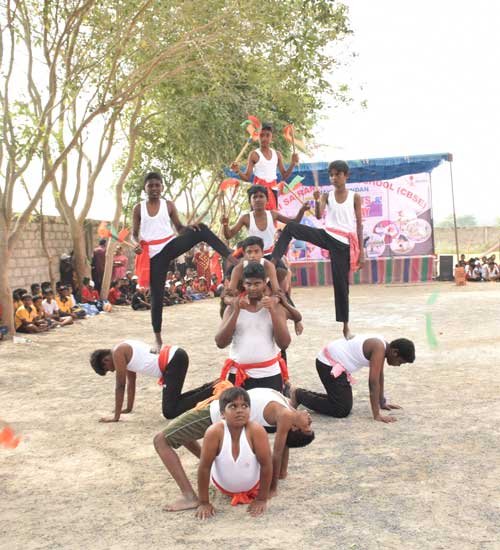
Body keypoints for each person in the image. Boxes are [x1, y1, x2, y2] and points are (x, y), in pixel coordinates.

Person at [153, 386, 314, 512]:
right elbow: (284, 444)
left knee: (160, 440)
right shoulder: (288, 409)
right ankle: (214, 461)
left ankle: (190, 497)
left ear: (295, 428)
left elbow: (278, 452)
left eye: (308, 427)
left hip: (215, 414)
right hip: (225, 409)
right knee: (183, 434)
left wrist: (271, 489)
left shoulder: (286, 416)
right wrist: (281, 473)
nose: (310, 418)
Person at [132, 172, 236, 351]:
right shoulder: (138, 208)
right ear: (145, 188)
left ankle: (231, 257)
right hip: (153, 255)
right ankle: (157, 338)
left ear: (162, 187)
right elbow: (134, 234)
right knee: (157, 296)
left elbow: (179, 228)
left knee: (201, 228)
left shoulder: (169, 205)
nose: (154, 188)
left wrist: (189, 228)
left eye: (157, 185)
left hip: (170, 245)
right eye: (150, 186)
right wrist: (135, 244)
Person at [271, 160, 364, 339]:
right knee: (290, 227)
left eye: (337, 174)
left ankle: (345, 327)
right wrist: (315, 200)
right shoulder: (326, 196)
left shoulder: (355, 197)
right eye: (331, 175)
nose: (334, 178)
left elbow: (359, 224)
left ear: (346, 176)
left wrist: (362, 251)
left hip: (343, 244)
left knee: (341, 286)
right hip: (327, 235)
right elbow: (320, 215)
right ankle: (273, 261)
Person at [291, 335, 415, 423]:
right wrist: (376, 414)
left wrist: (382, 402)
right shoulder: (379, 348)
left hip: (335, 365)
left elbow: (379, 376)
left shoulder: (383, 347)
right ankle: (299, 395)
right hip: (328, 364)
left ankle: (301, 394)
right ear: (395, 352)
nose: (398, 365)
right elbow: (373, 383)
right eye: (400, 362)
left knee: (341, 404)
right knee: (341, 410)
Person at [90, 341, 216, 423]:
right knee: (173, 404)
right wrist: (128, 408)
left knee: (170, 411)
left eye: (107, 369)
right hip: (174, 358)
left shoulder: (118, 352)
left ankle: (213, 390)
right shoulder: (122, 350)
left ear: (105, 361)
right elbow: (131, 382)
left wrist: (116, 417)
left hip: (172, 361)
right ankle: (211, 387)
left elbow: (120, 385)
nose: (111, 371)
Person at [196, 387, 272, 519]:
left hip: (254, 485)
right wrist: (204, 502)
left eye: (244, 406)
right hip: (222, 486)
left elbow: (266, 465)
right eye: (233, 406)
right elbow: (204, 467)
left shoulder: (255, 430)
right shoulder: (214, 432)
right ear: (222, 414)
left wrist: (261, 499)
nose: (240, 411)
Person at [215, 262, 291, 392]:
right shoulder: (232, 307)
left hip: (269, 373)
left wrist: (272, 311)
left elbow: (284, 343)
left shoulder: (275, 306)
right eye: (248, 284)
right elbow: (220, 342)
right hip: (239, 374)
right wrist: (237, 310)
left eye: (257, 284)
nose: (253, 288)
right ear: (243, 284)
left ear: (265, 282)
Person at [230, 123, 299, 210]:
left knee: (272, 218)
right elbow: (247, 177)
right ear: (258, 137)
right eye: (261, 135)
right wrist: (238, 171)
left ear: (272, 138)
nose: (264, 138)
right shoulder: (254, 154)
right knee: (257, 219)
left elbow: (284, 175)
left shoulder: (277, 154)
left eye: (267, 135)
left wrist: (292, 163)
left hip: (273, 190)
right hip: (258, 191)